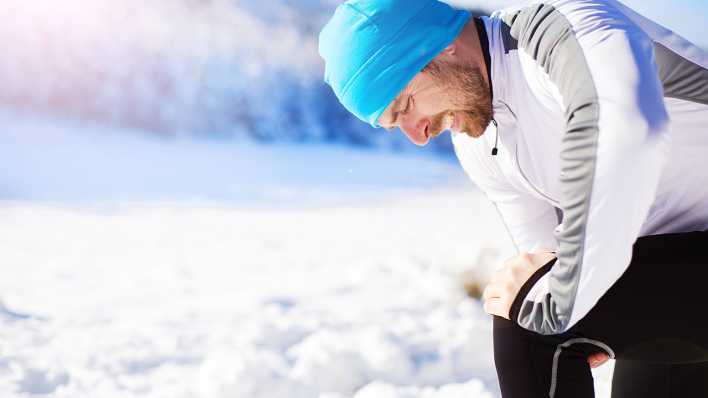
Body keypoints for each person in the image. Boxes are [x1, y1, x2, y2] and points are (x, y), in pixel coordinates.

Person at [318, 0, 708, 397]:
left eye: (405, 107)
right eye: (394, 125)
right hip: (682, 266)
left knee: (528, 318)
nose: (418, 135)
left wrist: (567, 302)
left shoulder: (560, 30)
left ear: (438, 45)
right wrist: (576, 309)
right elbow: (545, 257)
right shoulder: (479, 144)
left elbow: (627, 131)